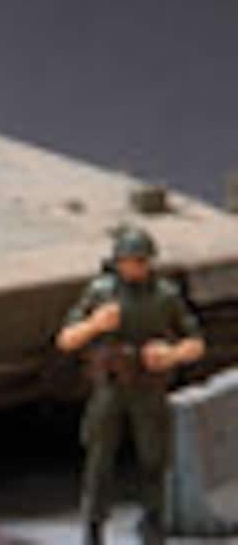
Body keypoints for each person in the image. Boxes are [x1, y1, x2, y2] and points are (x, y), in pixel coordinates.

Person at [55, 227, 205, 545]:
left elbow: (195, 342)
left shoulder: (165, 296)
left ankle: (154, 522)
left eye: (140, 261)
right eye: (128, 261)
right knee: (99, 459)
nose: (134, 267)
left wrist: (172, 355)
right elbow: (66, 339)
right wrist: (94, 325)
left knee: (154, 458)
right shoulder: (101, 292)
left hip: (149, 387)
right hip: (110, 387)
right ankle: (93, 526)